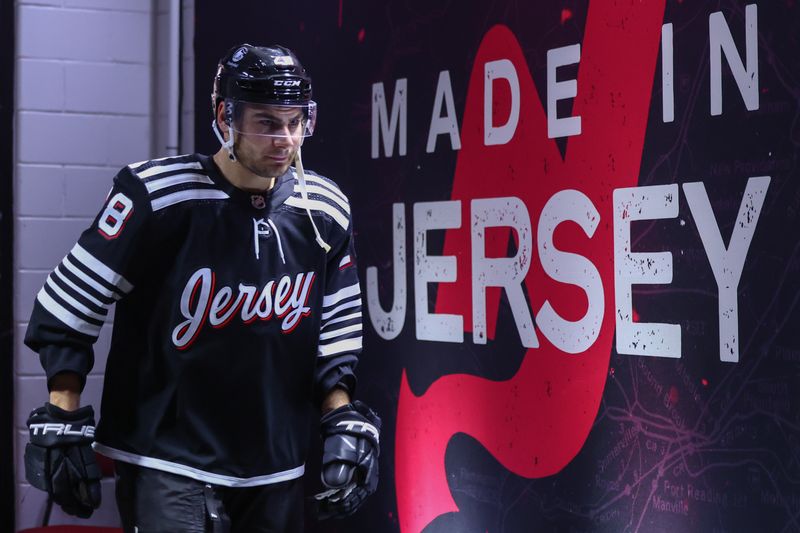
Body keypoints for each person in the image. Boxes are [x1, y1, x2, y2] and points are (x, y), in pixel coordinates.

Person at [23, 43, 380, 532]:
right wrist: (62, 405)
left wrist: (340, 414)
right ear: (224, 116)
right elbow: (69, 301)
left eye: (296, 122)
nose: (285, 139)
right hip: (167, 459)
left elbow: (336, 328)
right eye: (266, 122)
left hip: (275, 461)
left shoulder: (325, 208)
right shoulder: (155, 194)